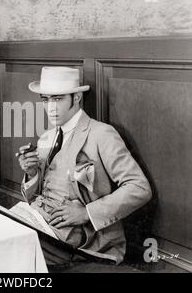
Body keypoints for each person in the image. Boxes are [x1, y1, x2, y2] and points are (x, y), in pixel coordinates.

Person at [18, 66, 152, 265]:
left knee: (12, 249)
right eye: (45, 100)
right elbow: (41, 192)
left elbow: (140, 188)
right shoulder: (47, 136)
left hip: (79, 237)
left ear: (77, 98)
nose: (51, 108)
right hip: (37, 219)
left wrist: (86, 213)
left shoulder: (101, 134)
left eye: (58, 99)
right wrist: (31, 174)